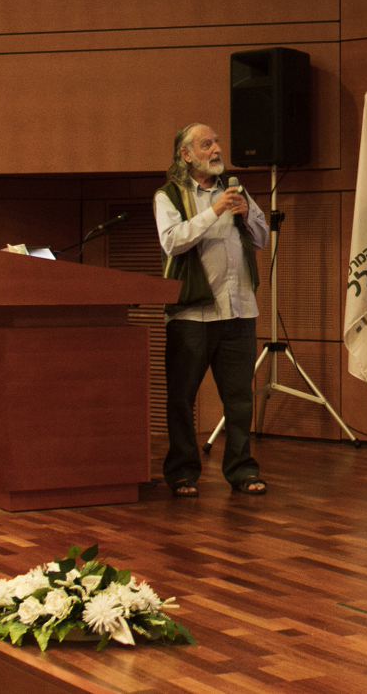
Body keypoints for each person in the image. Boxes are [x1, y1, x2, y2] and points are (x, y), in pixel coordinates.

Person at [153, 123, 270, 496]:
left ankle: (242, 469)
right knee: (181, 398)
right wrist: (215, 210)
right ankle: (182, 472)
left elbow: (263, 238)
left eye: (217, 142)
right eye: (207, 144)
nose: (217, 149)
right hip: (192, 316)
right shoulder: (169, 196)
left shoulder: (235, 190)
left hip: (239, 312)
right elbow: (173, 242)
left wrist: (246, 212)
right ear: (186, 155)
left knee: (239, 400)